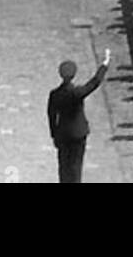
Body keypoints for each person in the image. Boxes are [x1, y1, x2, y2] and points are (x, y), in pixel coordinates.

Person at [47, 49, 112, 184]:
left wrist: (54, 134)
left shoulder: (55, 94)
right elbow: (94, 83)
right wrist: (104, 65)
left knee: (64, 167)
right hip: (78, 133)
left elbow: (51, 115)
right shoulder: (77, 93)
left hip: (63, 134)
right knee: (76, 166)